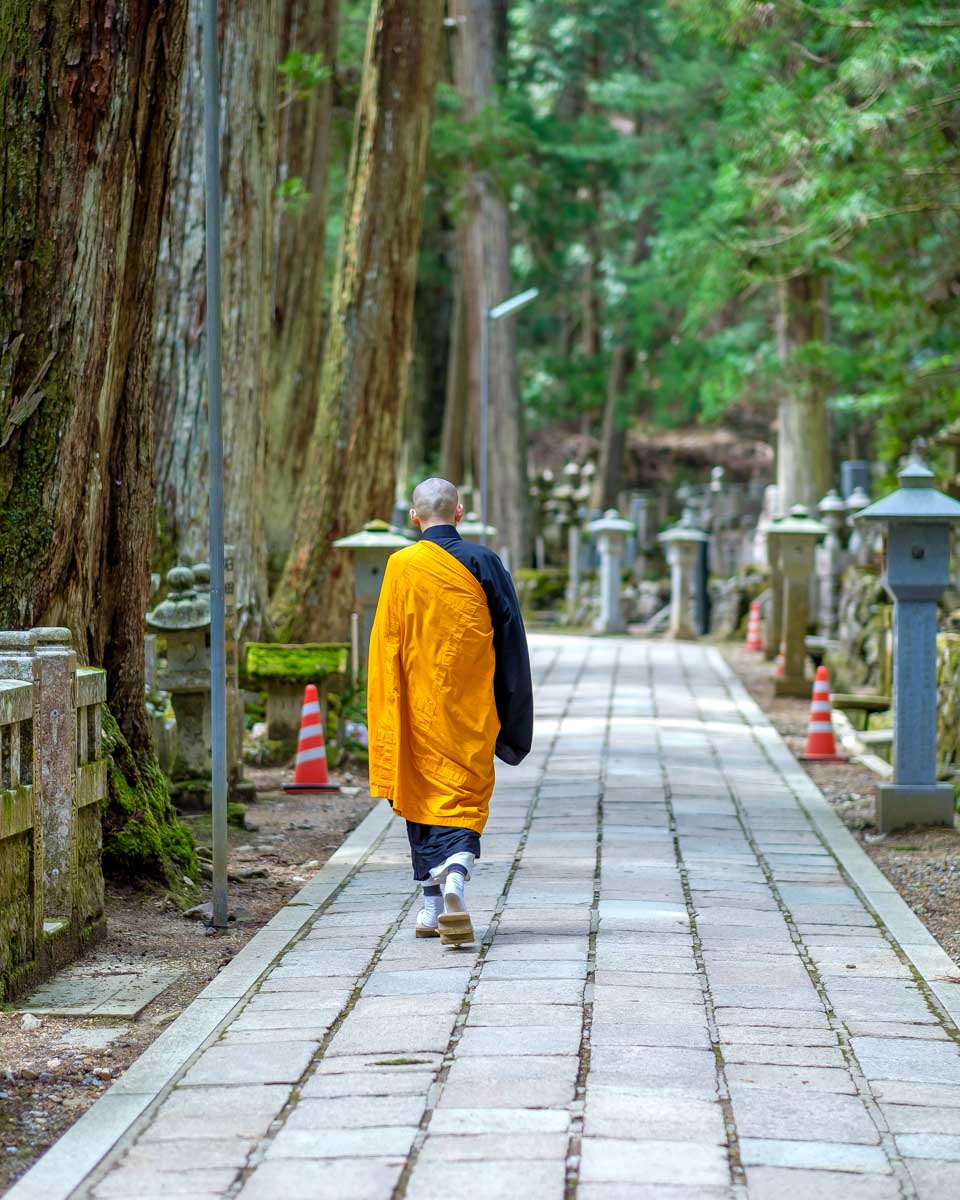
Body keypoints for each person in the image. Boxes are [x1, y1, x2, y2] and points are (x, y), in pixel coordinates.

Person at [367, 478, 533, 946]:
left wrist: (386, 711)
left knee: (421, 796)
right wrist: (513, 712)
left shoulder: (400, 566)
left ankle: (431, 904)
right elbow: (510, 643)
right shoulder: (485, 563)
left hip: (417, 709)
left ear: (414, 518)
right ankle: (453, 877)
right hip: (470, 711)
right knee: (462, 795)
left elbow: (386, 646)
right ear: (459, 512)